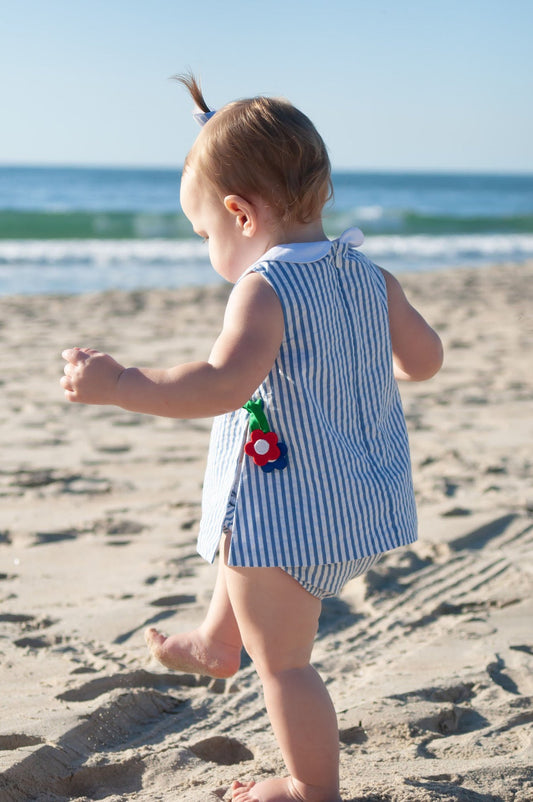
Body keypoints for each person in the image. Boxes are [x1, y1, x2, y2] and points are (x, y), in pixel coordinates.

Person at [61, 74, 443, 802]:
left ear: (238, 213)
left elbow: (218, 385)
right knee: (242, 539)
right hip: (361, 504)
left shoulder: (263, 288)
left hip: (293, 517)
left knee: (289, 666)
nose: (209, 247)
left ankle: (309, 788)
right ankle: (215, 640)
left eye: (205, 233)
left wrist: (118, 385)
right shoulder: (369, 275)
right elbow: (424, 362)